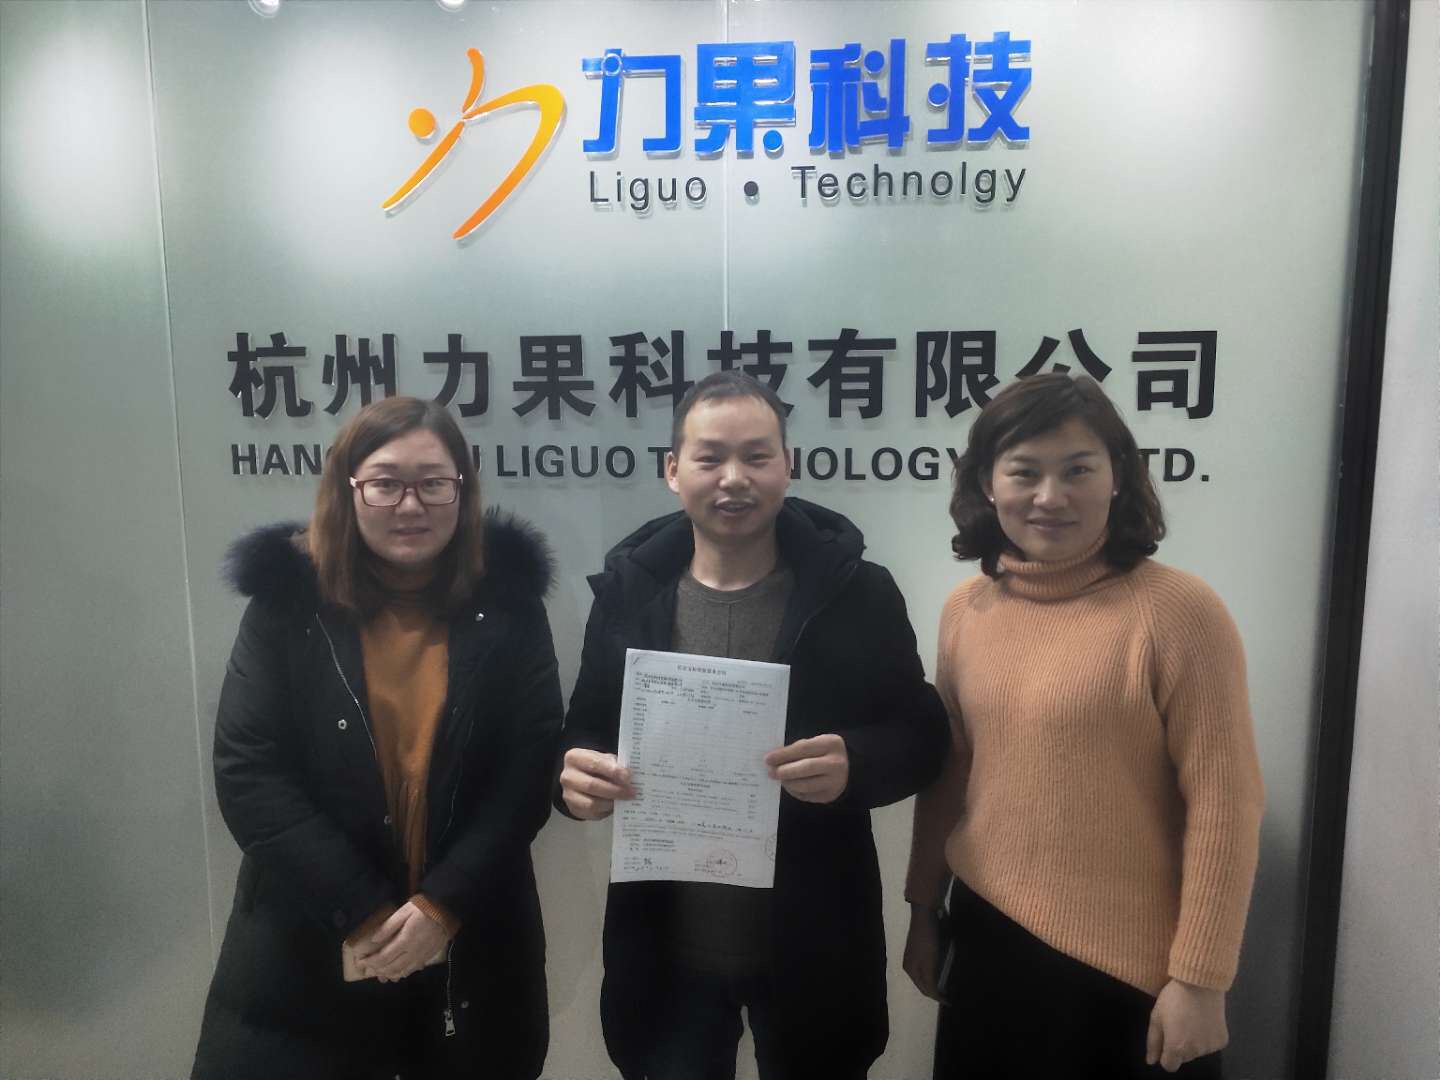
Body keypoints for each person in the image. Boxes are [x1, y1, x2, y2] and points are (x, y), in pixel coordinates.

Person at [556, 370, 950, 1080]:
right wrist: (577, 779)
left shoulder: (856, 592)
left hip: (813, 946)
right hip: (667, 948)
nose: (733, 478)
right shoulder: (628, 593)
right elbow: (584, 728)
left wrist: (857, 763)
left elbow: (922, 734)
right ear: (673, 471)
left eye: (756, 456)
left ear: (788, 465)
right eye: (710, 457)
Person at [903, 373, 1265, 1079]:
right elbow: (951, 773)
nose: (1050, 497)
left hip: (1134, 971)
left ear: (1118, 476)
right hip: (988, 940)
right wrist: (922, 907)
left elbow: (1227, 803)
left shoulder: (1178, 611)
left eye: (1077, 470)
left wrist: (1201, 978)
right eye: (1024, 472)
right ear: (986, 484)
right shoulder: (966, 609)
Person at [193, 397, 561, 1080]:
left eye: (434, 483)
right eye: (386, 483)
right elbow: (249, 770)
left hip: (472, 942)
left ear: (462, 490)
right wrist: (361, 908)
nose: (410, 505)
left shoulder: (509, 605)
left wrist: (442, 906)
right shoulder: (287, 604)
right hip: (309, 940)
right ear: (349, 488)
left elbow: (527, 771)